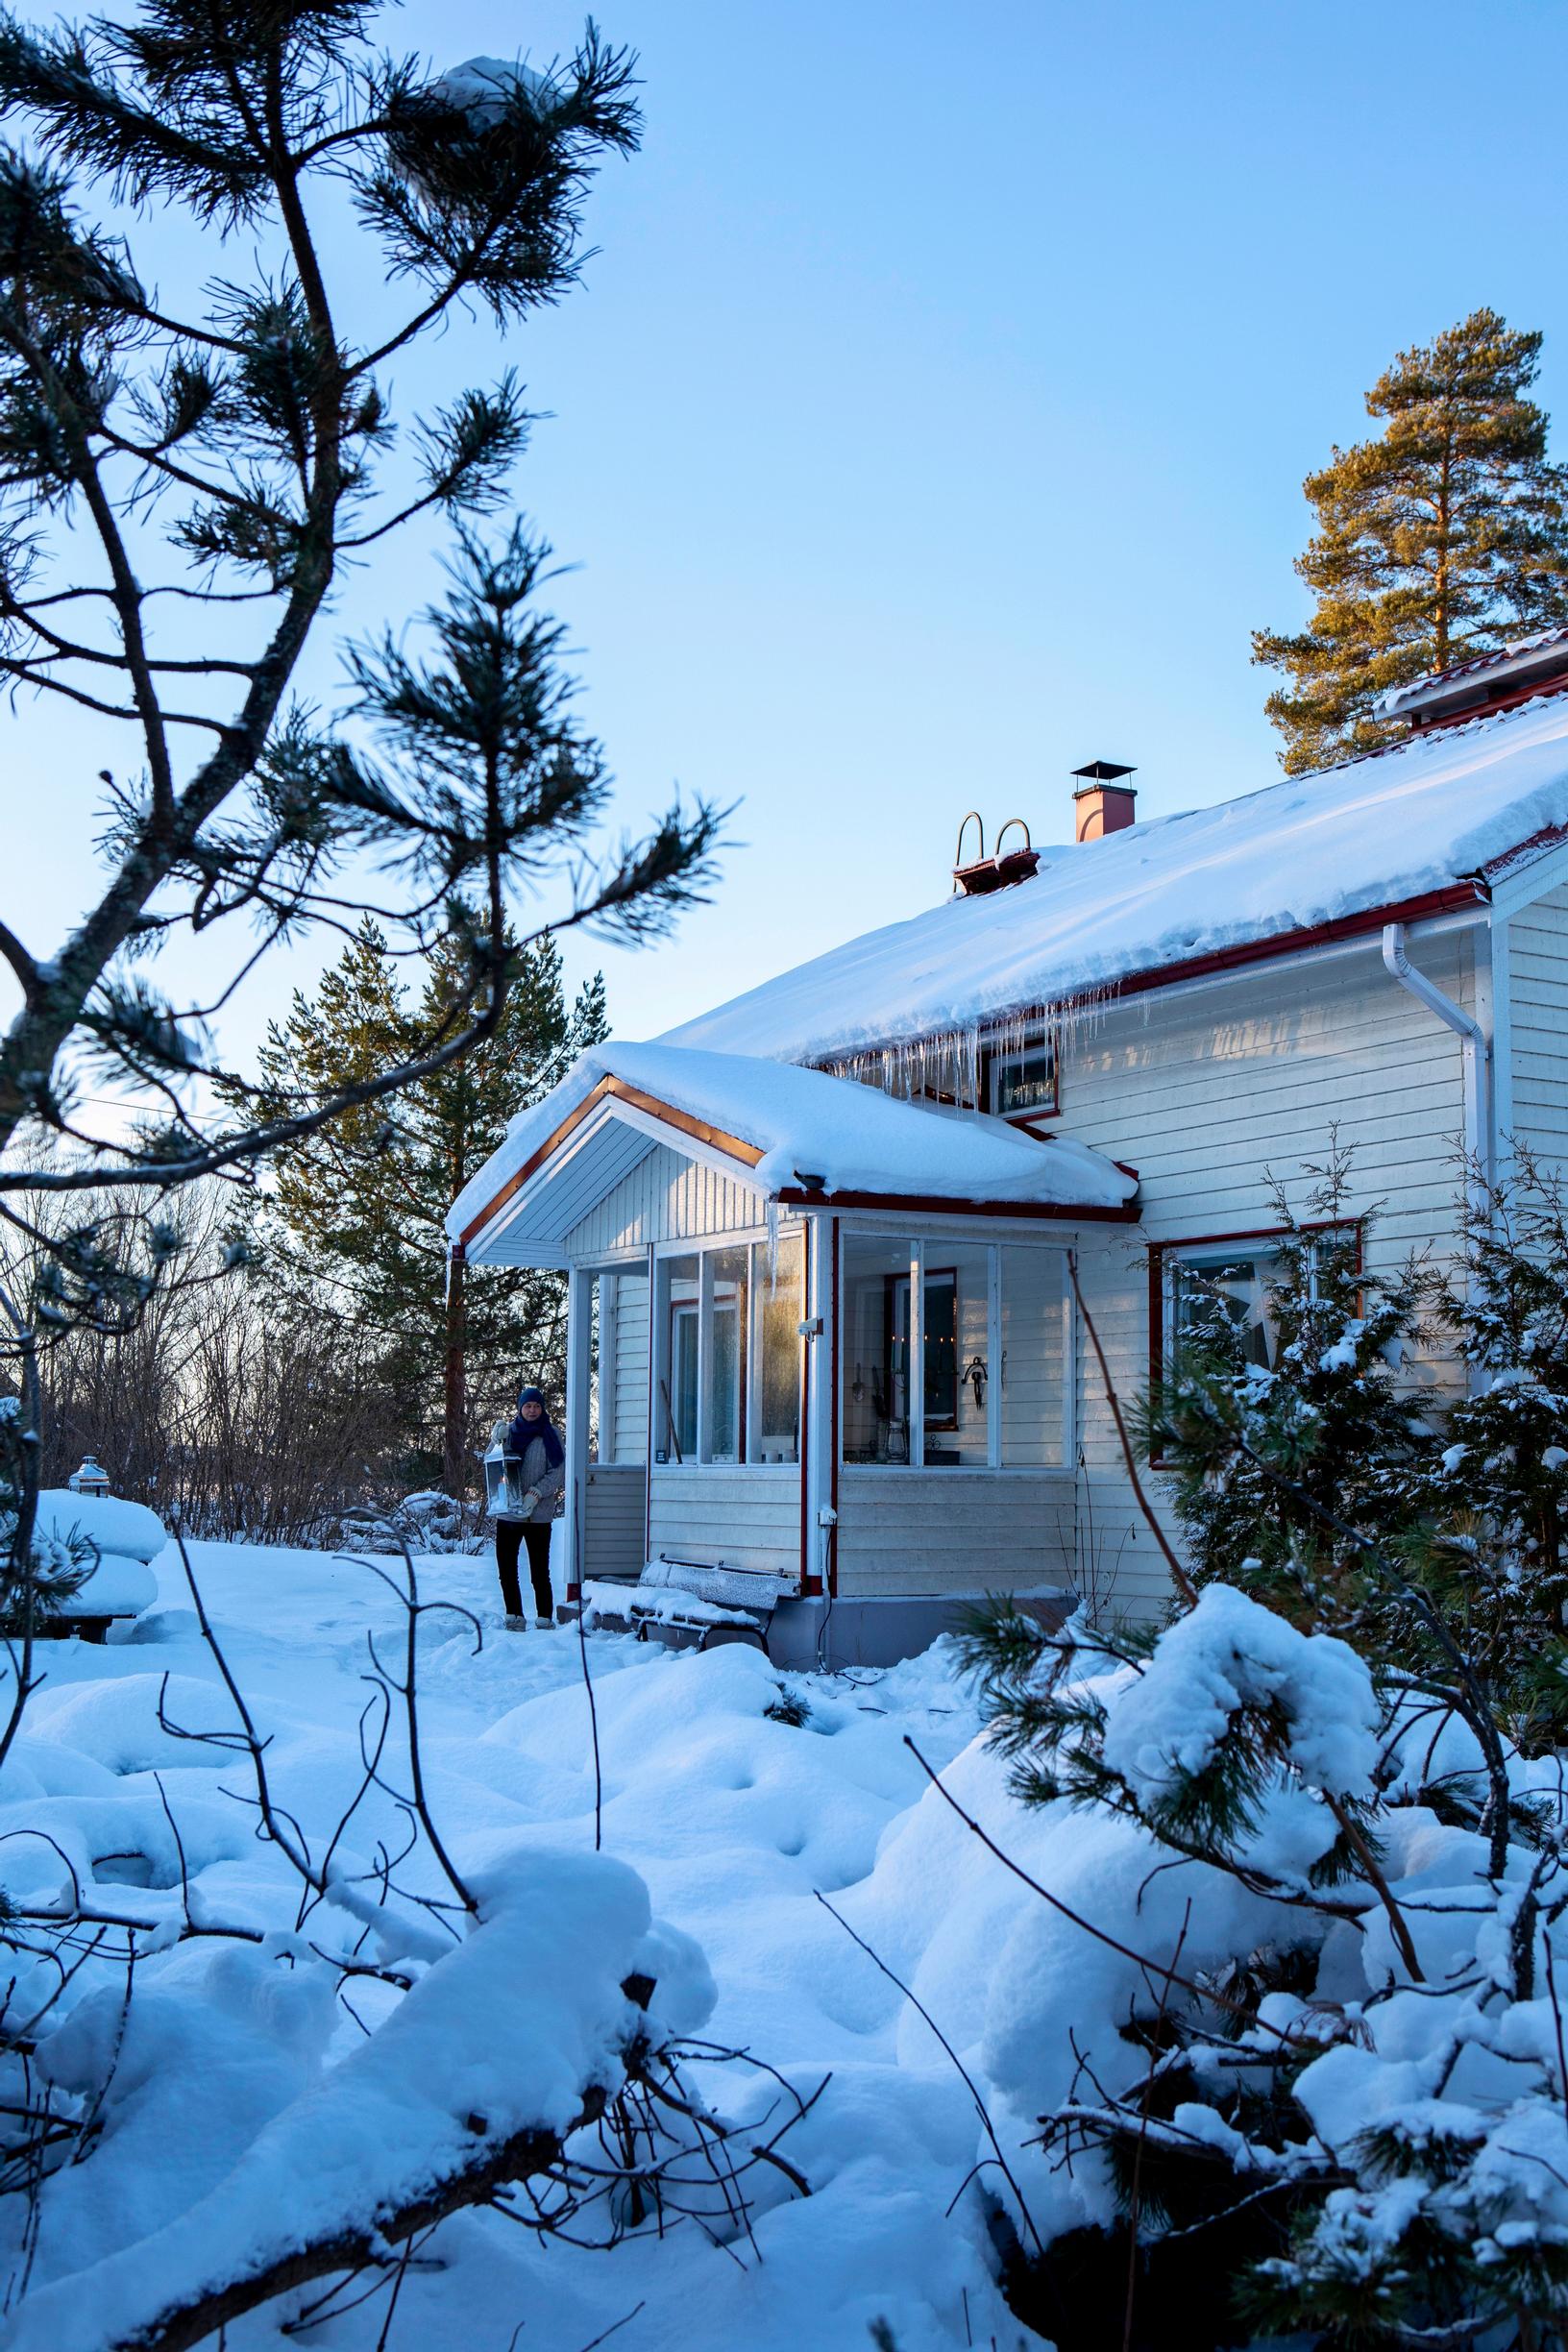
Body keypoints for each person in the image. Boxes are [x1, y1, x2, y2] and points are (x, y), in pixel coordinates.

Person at [493, 1385, 564, 1629]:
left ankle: (544, 1617)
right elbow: (493, 1465)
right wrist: (495, 1442)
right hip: (509, 1513)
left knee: (539, 1571)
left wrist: (536, 1493)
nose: (532, 1410)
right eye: (527, 1406)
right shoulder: (508, 1433)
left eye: (536, 1406)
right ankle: (514, 1614)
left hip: (538, 1515)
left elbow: (558, 1471)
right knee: (506, 1568)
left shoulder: (551, 1434)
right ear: (520, 1408)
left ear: (542, 1408)